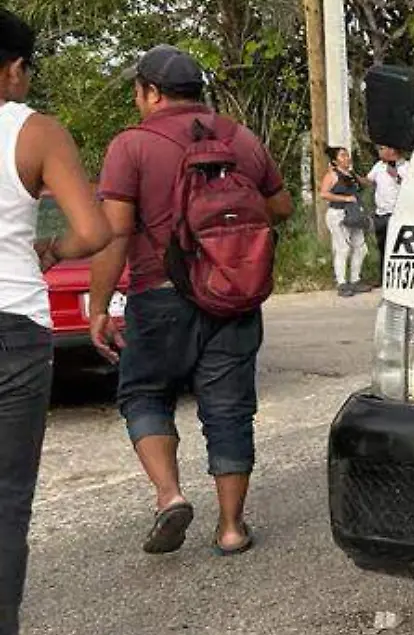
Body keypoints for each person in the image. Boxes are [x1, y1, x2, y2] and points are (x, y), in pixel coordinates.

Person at [87, 46, 293, 558]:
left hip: (158, 295)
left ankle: (170, 495)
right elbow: (280, 207)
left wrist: (97, 307)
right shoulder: (240, 137)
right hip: (232, 294)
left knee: (144, 394)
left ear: (150, 92)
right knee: (228, 410)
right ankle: (230, 528)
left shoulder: (130, 146)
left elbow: (114, 235)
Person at [0, 11, 109, 635]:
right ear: (13, 68)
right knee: (5, 504)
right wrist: (56, 250)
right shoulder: (32, 130)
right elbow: (96, 228)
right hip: (11, 329)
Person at [319, 147, 369, 297]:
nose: (347, 157)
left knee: (361, 247)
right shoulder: (332, 175)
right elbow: (324, 194)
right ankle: (341, 282)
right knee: (343, 248)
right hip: (338, 214)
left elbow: (366, 183)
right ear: (335, 160)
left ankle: (355, 280)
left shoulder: (351, 174)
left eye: (347, 155)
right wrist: (345, 199)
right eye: (343, 155)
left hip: (353, 214)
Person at [364, 145, 408, 269]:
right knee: (382, 247)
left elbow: (411, 187)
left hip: (397, 215)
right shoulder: (379, 166)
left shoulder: (407, 166)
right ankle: (383, 277)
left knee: (397, 249)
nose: (379, 151)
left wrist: (396, 176)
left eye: (382, 148)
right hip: (381, 215)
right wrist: (351, 175)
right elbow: (368, 181)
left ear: (392, 150)